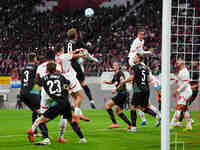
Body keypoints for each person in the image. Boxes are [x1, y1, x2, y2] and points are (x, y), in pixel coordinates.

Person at [27, 62, 87, 144]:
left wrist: (34, 91)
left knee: (40, 120)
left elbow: (35, 89)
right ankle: (82, 138)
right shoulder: (60, 77)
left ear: (47, 70)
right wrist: (64, 90)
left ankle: (35, 132)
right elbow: (68, 83)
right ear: (55, 69)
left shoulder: (44, 78)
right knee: (71, 120)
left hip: (56, 103)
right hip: (65, 101)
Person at [55, 43, 90, 142]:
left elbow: (69, 54)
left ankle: (61, 135)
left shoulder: (57, 57)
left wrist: (77, 50)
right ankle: (76, 113)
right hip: (70, 78)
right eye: (63, 49)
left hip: (63, 81)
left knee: (71, 101)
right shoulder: (63, 56)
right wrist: (81, 54)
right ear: (61, 50)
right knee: (80, 96)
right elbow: (72, 56)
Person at [120, 53, 161, 132]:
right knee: (142, 108)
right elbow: (149, 80)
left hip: (138, 89)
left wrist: (124, 81)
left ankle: (133, 127)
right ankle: (156, 115)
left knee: (132, 107)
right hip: (146, 89)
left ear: (139, 59)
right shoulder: (146, 68)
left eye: (135, 57)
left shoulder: (134, 67)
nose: (133, 58)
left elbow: (132, 77)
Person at [65, 28, 98, 109]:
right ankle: (91, 100)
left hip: (67, 67)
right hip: (75, 65)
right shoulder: (79, 43)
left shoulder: (65, 44)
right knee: (83, 84)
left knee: (68, 86)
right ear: (76, 35)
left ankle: (69, 102)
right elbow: (88, 51)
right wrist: (94, 57)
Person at [19, 53, 49, 142]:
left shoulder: (23, 68)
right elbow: (39, 79)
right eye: (36, 58)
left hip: (22, 93)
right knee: (41, 113)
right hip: (31, 92)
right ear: (35, 58)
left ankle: (35, 132)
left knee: (35, 111)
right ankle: (45, 136)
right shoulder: (36, 68)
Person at [35, 50, 62, 144]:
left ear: (45, 57)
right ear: (54, 56)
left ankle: (46, 138)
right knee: (64, 114)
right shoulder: (58, 66)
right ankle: (61, 136)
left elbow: (37, 81)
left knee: (42, 115)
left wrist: (35, 91)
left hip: (45, 94)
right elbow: (61, 79)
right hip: (57, 94)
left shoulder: (40, 67)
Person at [128, 30, 152, 125]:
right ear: (138, 35)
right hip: (132, 58)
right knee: (143, 69)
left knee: (137, 106)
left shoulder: (142, 41)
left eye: (143, 34)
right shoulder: (136, 41)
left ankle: (135, 125)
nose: (142, 35)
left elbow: (141, 52)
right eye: (141, 34)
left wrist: (146, 52)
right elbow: (138, 53)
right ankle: (151, 117)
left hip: (140, 88)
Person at [104, 61, 132, 129]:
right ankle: (130, 125)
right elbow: (112, 82)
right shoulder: (115, 74)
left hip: (122, 93)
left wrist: (116, 89)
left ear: (118, 66)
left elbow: (122, 81)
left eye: (115, 65)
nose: (113, 66)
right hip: (122, 94)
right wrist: (106, 82)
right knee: (118, 111)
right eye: (113, 65)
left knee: (107, 105)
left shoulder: (120, 73)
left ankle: (114, 123)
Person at [170, 56, 193, 131]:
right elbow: (179, 80)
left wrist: (177, 90)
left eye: (179, 60)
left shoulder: (185, 71)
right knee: (184, 108)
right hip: (183, 91)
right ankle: (189, 124)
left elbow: (186, 82)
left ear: (183, 61)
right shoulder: (181, 71)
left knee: (178, 107)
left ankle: (172, 124)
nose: (177, 61)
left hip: (186, 91)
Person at [178, 60, 199, 124]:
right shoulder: (190, 70)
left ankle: (180, 121)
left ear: (197, 63)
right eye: (192, 61)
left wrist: (193, 86)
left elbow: (197, 83)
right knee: (184, 105)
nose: (192, 62)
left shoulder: (197, 71)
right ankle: (189, 120)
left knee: (184, 105)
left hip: (193, 91)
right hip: (189, 90)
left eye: (194, 62)